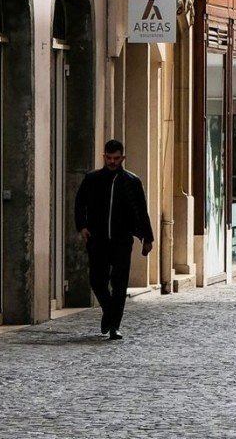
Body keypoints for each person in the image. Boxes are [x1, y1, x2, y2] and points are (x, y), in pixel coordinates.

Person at [75, 139, 153, 340]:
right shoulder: (92, 179)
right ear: (104, 157)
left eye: (116, 158)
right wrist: (82, 226)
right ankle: (109, 312)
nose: (112, 162)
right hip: (97, 239)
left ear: (122, 158)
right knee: (97, 280)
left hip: (122, 240)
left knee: (119, 283)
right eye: (109, 158)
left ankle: (114, 326)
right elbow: (80, 203)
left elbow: (141, 211)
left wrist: (147, 238)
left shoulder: (132, 182)